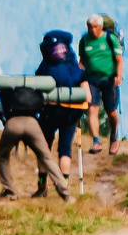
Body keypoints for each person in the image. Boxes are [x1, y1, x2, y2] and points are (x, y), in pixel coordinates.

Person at [0, 79, 70, 201]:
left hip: (12, 124)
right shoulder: (36, 93)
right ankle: (65, 192)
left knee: (3, 156)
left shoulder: (7, 93)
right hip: (32, 124)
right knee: (46, 157)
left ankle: (9, 191)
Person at [38, 31, 93, 185]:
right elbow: (88, 97)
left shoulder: (44, 67)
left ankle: (42, 185)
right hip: (70, 114)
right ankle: (64, 186)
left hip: (48, 113)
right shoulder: (75, 69)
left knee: (44, 148)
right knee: (65, 150)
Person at [79, 15, 124, 157]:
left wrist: (118, 75)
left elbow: (119, 59)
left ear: (101, 27)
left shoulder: (110, 39)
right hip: (92, 79)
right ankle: (96, 140)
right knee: (92, 109)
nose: (92, 30)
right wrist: (79, 76)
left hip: (109, 79)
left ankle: (114, 136)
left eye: (95, 27)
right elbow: (82, 61)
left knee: (111, 111)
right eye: (90, 27)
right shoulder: (84, 40)